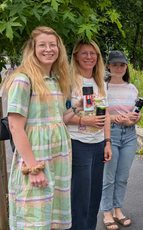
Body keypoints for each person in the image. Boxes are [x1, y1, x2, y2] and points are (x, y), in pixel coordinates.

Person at [3, 26, 78, 229]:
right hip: (36, 159)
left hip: (58, 158)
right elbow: (15, 127)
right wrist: (33, 168)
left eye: (53, 45)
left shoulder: (56, 80)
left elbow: (58, 119)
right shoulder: (23, 79)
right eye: (42, 45)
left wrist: (78, 108)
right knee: (33, 220)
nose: (48, 49)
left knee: (52, 219)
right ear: (33, 49)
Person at [66, 40, 112, 230]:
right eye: (84, 53)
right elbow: (62, 116)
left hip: (98, 144)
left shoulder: (100, 81)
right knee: (80, 196)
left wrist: (108, 142)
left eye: (93, 53)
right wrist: (85, 121)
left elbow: (106, 113)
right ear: (76, 56)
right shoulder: (69, 82)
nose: (89, 57)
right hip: (78, 143)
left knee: (94, 196)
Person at [100, 51, 141, 230]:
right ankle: (107, 212)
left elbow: (137, 115)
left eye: (122, 65)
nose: (119, 67)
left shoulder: (132, 88)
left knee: (123, 177)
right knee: (109, 177)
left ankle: (118, 209)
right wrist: (115, 118)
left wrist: (132, 119)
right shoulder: (103, 87)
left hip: (130, 134)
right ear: (108, 66)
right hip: (111, 134)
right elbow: (101, 112)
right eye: (115, 64)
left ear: (126, 67)